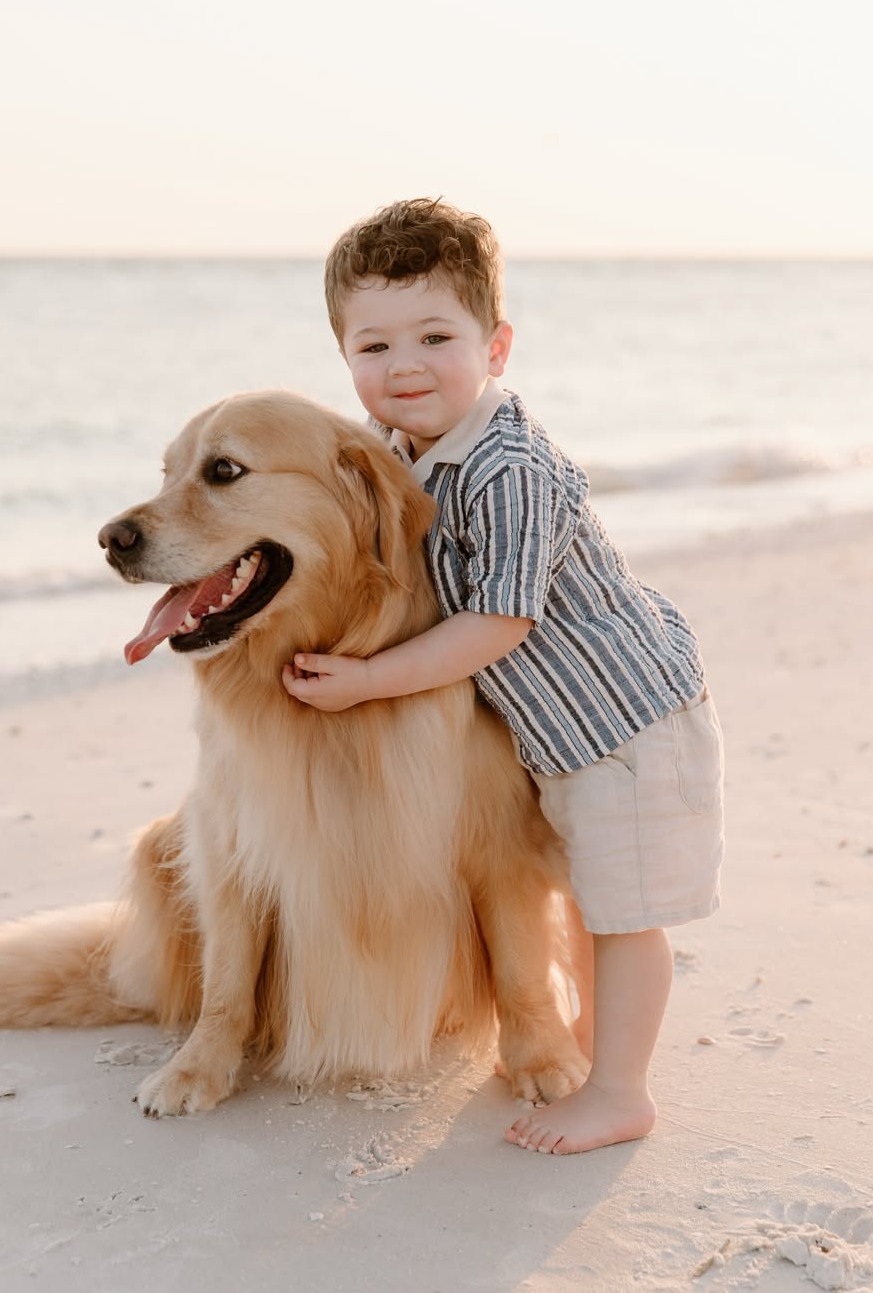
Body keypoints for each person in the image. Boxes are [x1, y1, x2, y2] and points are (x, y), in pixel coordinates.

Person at [282, 197, 724, 1155]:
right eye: (372, 347)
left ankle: (621, 1093)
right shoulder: (409, 451)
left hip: (628, 724)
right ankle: (580, 1045)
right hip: (560, 738)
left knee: (623, 917)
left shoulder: (505, 466)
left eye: (435, 336)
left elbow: (498, 620)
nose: (402, 367)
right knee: (581, 898)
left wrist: (368, 681)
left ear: (498, 345)